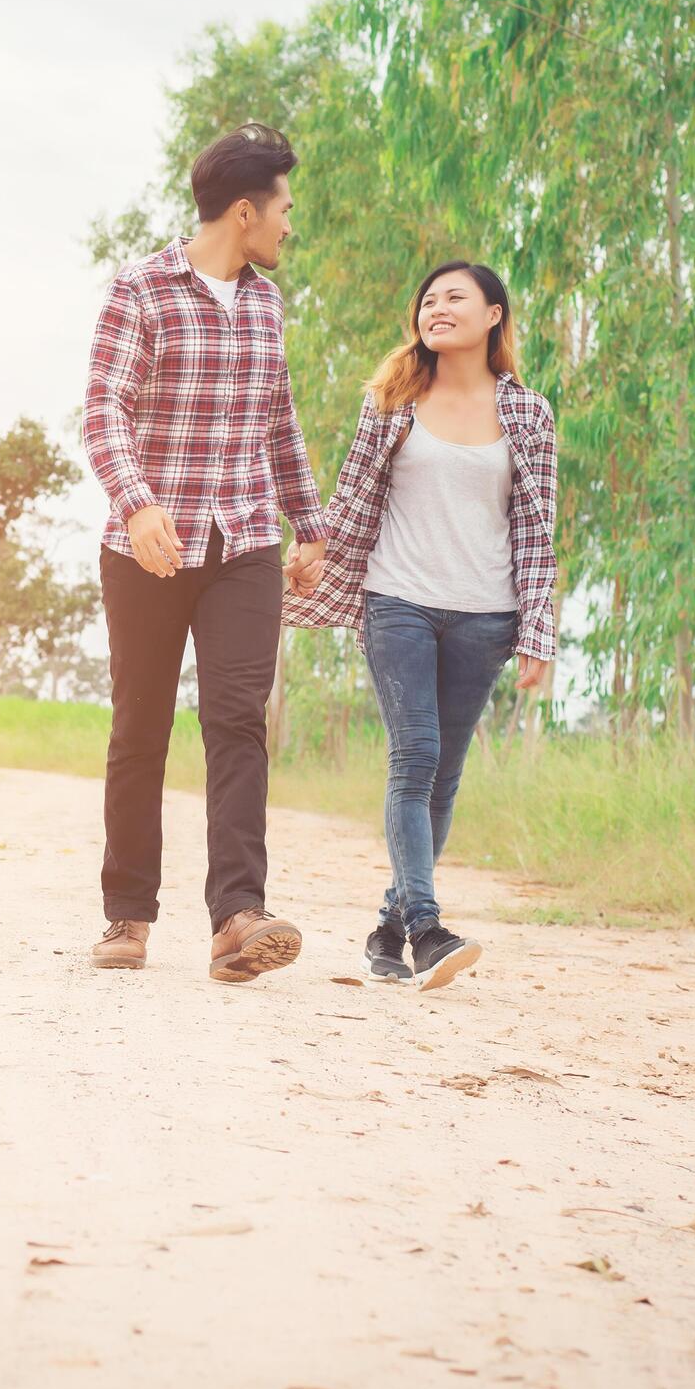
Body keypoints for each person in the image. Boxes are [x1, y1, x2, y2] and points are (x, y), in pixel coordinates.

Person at [80, 122, 327, 982]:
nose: (290, 225)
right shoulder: (141, 290)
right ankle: (126, 916)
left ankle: (237, 917)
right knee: (140, 726)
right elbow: (104, 410)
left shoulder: (264, 303)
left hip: (245, 540)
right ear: (245, 209)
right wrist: (136, 502)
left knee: (235, 719)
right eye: (285, 209)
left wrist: (314, 525)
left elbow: (279, 422)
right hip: (148, 545)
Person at [282, 260, 558, 989]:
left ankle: (387, 924)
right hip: (396, 598)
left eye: (454, 298)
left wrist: (538, 633)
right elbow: (350, 496)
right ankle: (429, 930)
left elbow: (535, 531)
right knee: (415, 758)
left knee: (442, 780)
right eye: (428, 300)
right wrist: (312, 550)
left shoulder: (528, 413)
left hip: (485, 615)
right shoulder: (394, 397)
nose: (436, 308)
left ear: (493, 315)